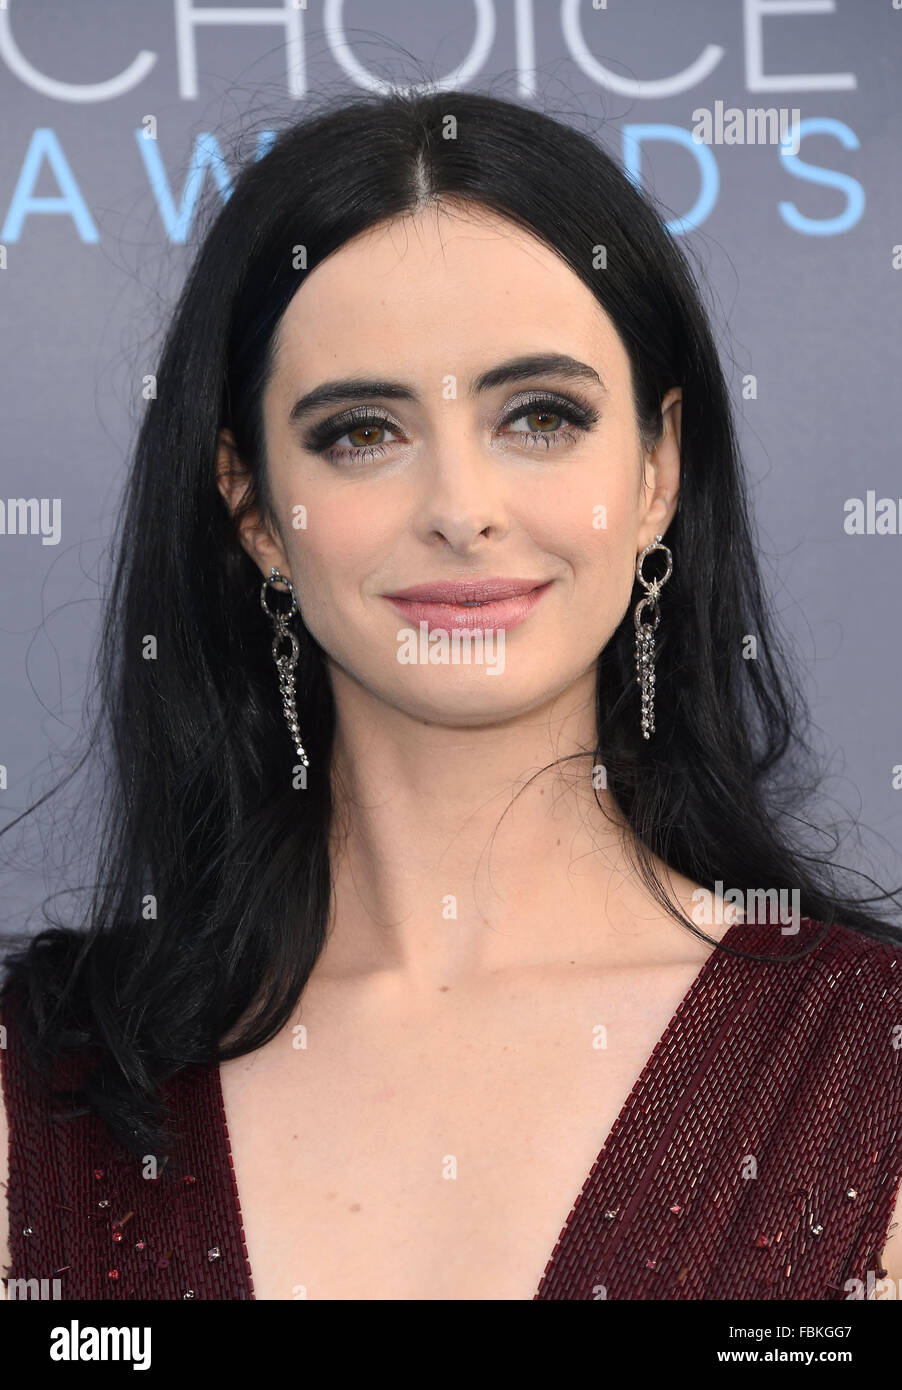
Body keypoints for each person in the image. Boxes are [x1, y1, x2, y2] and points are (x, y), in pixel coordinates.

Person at [1, 86, 901, 1302]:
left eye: (541, 416)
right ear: (254, 507)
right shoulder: (42, 1084)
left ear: (655, 470)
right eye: (360, 432)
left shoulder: (869, 1066)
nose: (460, 506)